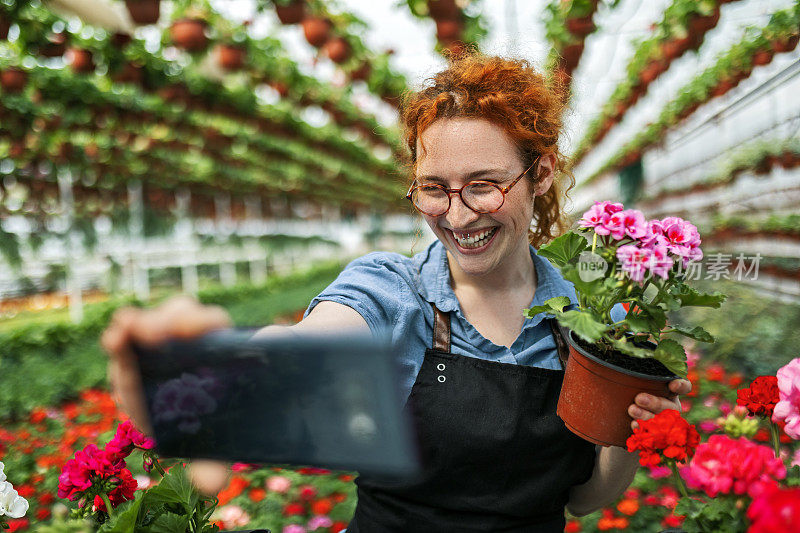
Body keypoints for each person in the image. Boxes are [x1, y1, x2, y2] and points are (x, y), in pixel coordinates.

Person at [102, 54, 691, 532]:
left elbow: (586, 500)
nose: (457, 215)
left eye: (483, 186)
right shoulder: (393, 290)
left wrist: (632, 427)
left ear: (539, 175)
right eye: (434, 189)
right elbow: (313, 341)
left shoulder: (588, 323)